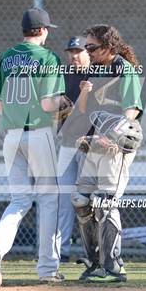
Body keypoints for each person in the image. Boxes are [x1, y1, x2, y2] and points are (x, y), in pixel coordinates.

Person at [0, 7, 65, 286]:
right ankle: (47, 269)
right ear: (41, 30)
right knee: (50, 199)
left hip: (11, 135)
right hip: (38, 133)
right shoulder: (48, 57)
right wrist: (63, 104)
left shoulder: (6, 57)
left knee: (19, 200)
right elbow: (47, 104)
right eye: (46, 30)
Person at [71, 24, 143, 283]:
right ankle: (95, 262)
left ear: (109, 47)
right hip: (94, 142)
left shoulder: (124, 69)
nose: (87, 51)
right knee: (81, 200)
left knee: (104, 202)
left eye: (92, 47)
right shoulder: (94, 69)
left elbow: (132, 109)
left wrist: (112, 137)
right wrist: (84, 92)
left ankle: (113, 266)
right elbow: (82, 111)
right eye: (86, 47)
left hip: (116, 141)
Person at [57, 35, 90, 263]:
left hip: (89, 145)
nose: (74, 56)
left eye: (78, 51)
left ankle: (93, 250)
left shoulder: (96, 74)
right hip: (66, 144)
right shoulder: (64, 76)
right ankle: (61, 250)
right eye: (71, 51)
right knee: (62, 198)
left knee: (86, 199)